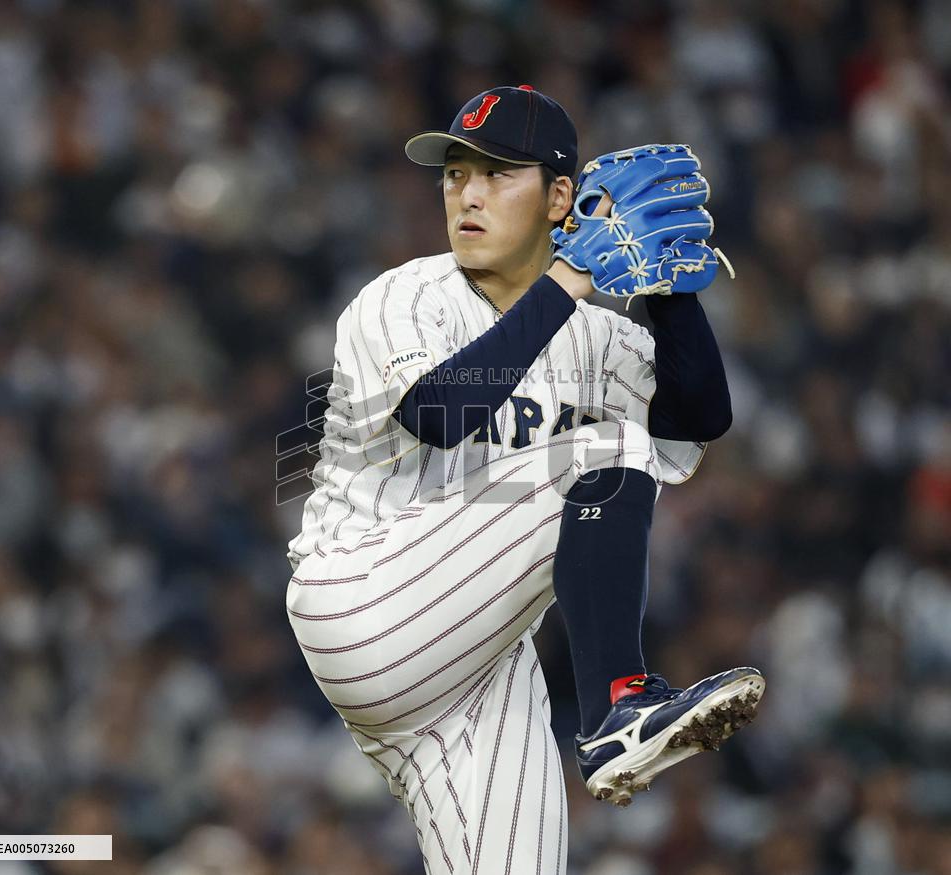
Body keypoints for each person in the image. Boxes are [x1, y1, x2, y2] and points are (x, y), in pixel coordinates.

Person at [285, 85, 764, 873]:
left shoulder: (596, 335)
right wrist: (571, 275)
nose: (468, 193)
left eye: (498, 173)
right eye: (456, 173)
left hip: (481, 656)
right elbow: (441, 412)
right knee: (604, 446)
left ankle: (614, 719)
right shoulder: (404, 298)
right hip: (366, 602)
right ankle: (618, 706)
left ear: (560, 198)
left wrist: (670, 290)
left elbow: (698, 417)